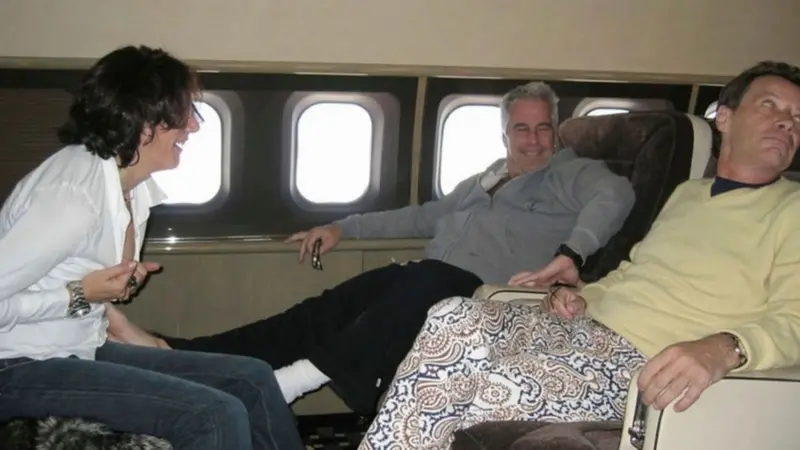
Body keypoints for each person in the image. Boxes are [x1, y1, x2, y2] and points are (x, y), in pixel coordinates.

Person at [107, 80, 636, 414]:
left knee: (426, 279)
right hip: (431, 278)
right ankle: (183, 354)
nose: (534, 140)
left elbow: (617, 195)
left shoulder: (572, 173)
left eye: (543, 128)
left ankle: (289, 384)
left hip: (491, 298)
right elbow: (423, 216)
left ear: (556, 132)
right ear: (505, 134)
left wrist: (571, 254)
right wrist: (343, 228)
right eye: (522, 128)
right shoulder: (489, 178)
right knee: (323, 309)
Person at [357, 60, 800, 450]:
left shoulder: (792, 210)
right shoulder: (689, 194)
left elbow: (794, 321)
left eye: (797, 117)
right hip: (586, 328)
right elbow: (636, 271)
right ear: (724, 117)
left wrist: (726, 348)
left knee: (464, 385)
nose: (787, 122)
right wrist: (586, 295)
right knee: (451, 313)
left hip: (643, 366)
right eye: (771, 106)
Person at [0, 45, 304, 450]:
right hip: (16, 365)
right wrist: (77, 295)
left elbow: (69, 277)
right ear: (142, 120)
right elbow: (62, 292)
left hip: (78, 348)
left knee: (252, 379)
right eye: (184, 113)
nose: (193, 126)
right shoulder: (73, 198)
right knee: (214, 414)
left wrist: (123, 319)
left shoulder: (132, 188)